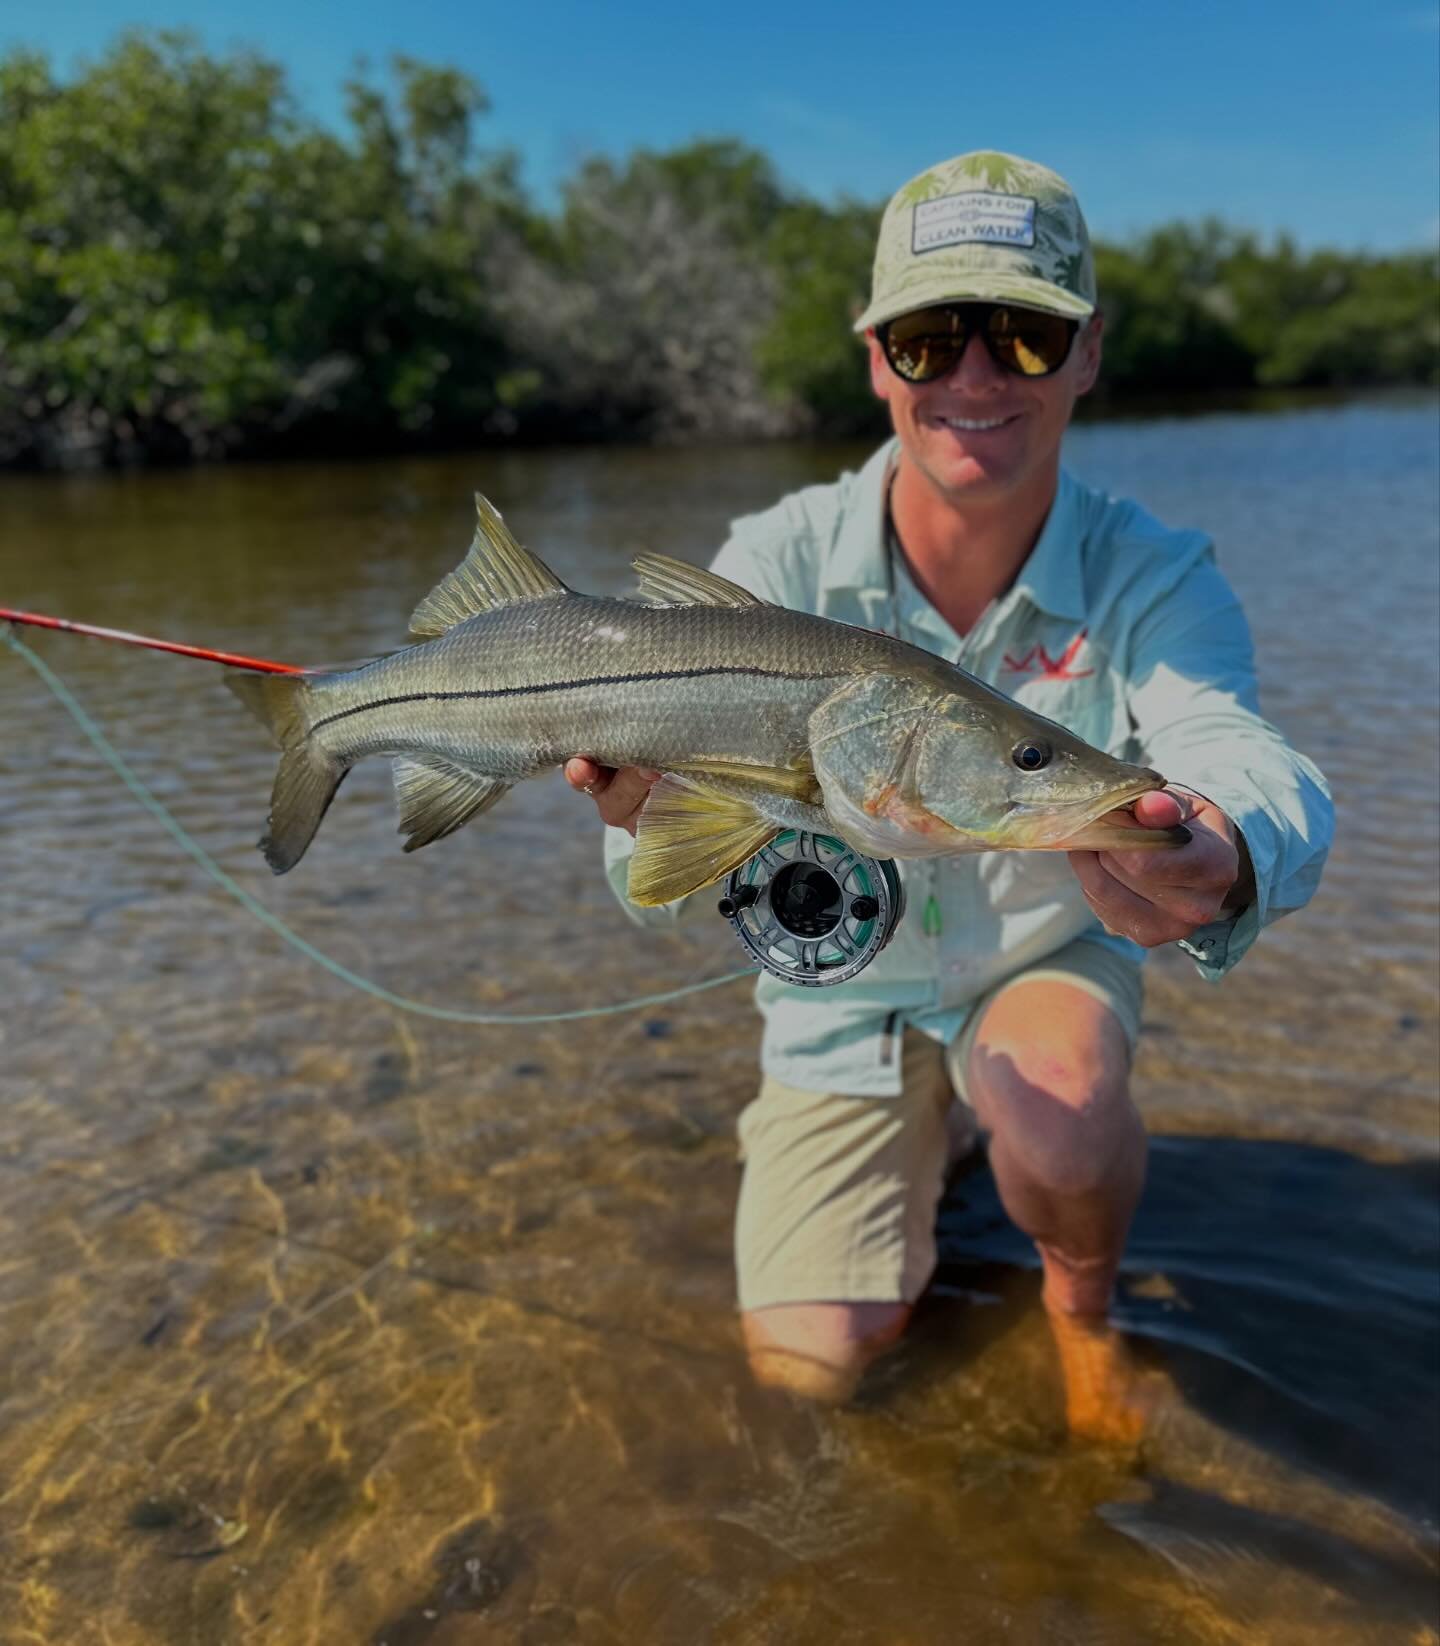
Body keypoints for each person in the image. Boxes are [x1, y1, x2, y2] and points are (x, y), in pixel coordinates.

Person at [565, 151, 1332, 1436]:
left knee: (1061, 1108)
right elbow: (644, 882)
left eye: (1024, 336)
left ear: (1087, 353)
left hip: (1037, 970)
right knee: (811, 1371)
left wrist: (1228, 843)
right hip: (838, 1003)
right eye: (931, 339)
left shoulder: (1156, 573)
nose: (977, 376)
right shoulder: (772, 561)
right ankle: (932, 1148)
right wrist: (640, 809)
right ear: (877, 360)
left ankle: (1082, 1310)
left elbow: (1238, 746)